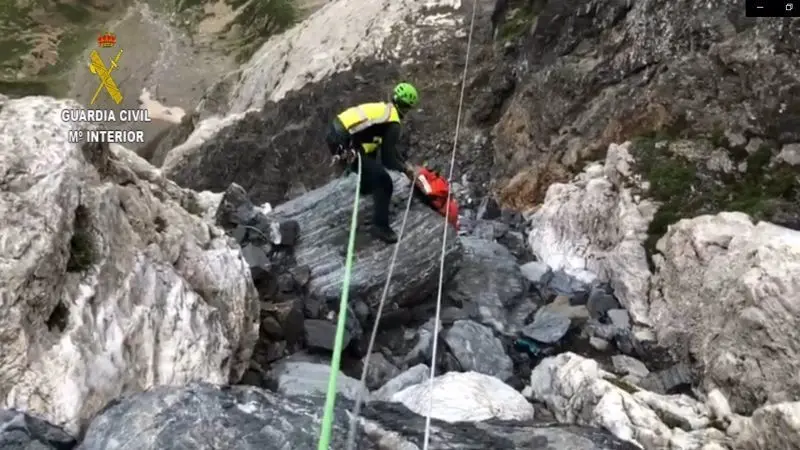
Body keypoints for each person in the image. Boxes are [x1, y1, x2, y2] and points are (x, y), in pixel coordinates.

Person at [325, 82, 420, 244]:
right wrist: (405, 169)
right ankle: (380, 226)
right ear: (407, 107)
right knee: (384, 182)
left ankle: (365, 184)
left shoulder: (384, 111)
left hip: (338, 136)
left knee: (371, 161)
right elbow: (388, 159)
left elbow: (383, 146)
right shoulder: (394, 123)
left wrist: (403, 164)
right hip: (345, 142)